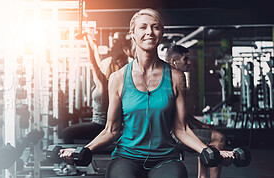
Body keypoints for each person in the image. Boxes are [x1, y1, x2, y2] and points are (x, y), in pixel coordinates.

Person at [59, 8, 234, 178]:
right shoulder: (117, 78)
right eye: (143, 27)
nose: (149, 32)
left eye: (155, 27)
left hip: (165, 159)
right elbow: (111, 130)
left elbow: (182, 129)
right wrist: (84, 150)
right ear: (132, 34)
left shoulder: (176, 78)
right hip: (126, 157)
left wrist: (208, 150)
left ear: (161, 34)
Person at [165, 45, 227, 178]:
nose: (189, 62)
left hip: (172, 131)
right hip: (172, 135)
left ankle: (202, 176)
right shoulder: (177, 77)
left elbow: (181, 112)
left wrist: (201, 125)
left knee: (209, 139)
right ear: (174, 62)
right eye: (185, 59)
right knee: (218, 138)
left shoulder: (167, 75)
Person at [61, 33, 129, 144]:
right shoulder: (110, 84)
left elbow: (93, 62)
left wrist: (87, 42)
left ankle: (73, 157)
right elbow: (97, 61)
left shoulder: (104, 84)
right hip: (102, 125)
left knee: (66, 132)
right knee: (74, 122)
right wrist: (94, 44)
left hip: (99, 126)